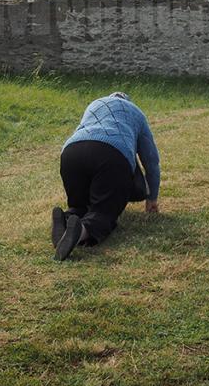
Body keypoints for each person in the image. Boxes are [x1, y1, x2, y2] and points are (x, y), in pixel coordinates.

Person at [52, 92, 161, 261]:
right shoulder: (136, 112)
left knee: (80, 205)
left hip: (71, 153)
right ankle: (80, 232)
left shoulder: (94, 104)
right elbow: (151, 161)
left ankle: (65, 221)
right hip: (111, 154)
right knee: (103, 212)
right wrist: (152, 197)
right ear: (127, 101)